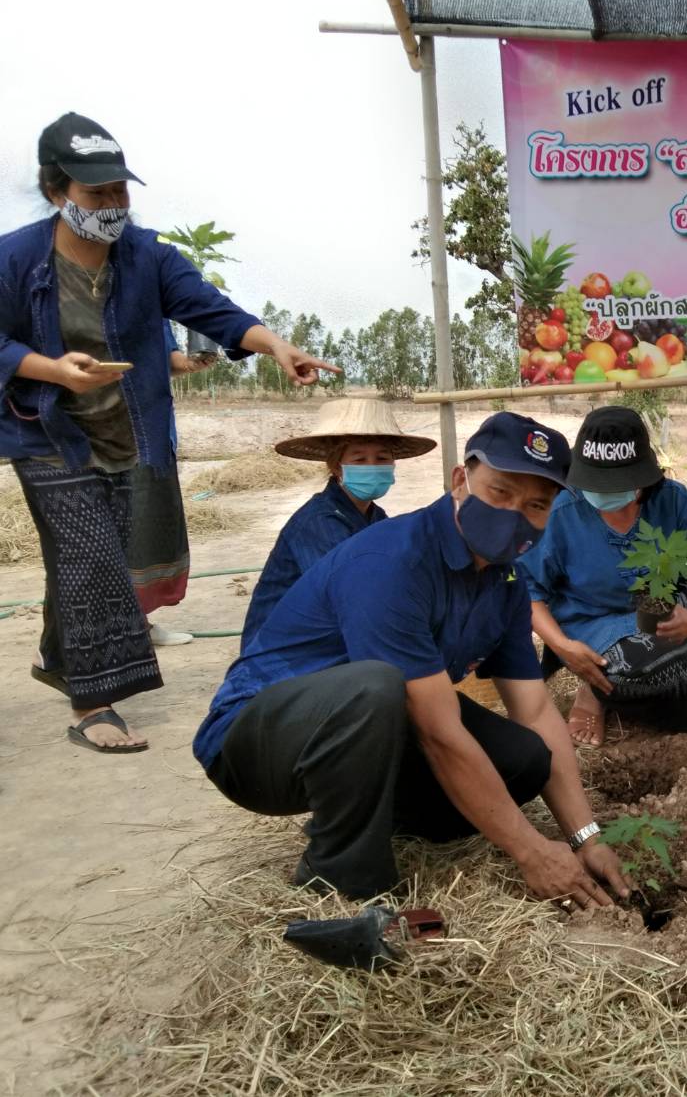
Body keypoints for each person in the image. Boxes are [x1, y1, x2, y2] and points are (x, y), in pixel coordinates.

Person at [0, 112, 338, 754]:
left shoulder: (148, 256)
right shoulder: (14, 259)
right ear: (55, 192)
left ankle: (56, 653)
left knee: (90, 554)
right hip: (48, 432)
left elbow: (209, 307)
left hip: (130, 432)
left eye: (119, 191)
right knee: (90, 556)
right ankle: (93, 704)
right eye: (95, 193)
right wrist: (51, 369)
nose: (111, 205)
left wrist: (274, 344)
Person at [193, 412, 629, 906]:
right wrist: (530, 852)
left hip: (365, 731)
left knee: (524, 759)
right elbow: (437, 733)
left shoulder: (505, 582)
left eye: (536, 505)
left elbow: (534, 710)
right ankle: (338, 882)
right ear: (460, 480)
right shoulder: (391, 563)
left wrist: (586, 838)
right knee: (379, 687)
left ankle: (380, 817)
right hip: (257, 744)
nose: (514, 514)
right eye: (500, 492)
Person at [517, 406, 687, 746]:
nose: (605, 493)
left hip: (656, 608)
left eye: (617, 484)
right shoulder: (562, 511)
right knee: (623, 670)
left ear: (643, 477)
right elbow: (527, 591)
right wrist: (563, 647)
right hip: (593, 623)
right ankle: (593, 692)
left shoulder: (672, 501)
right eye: (596, 483)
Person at [240, 398, 436, 650]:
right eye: (360, 460)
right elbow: (347, 595)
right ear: (336, 467)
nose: (372, 467)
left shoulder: (376, 517)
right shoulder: (318, 522)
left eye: (381, 458)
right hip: (284, 650)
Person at [126, 323, 212, 649]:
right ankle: (65, 646)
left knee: (145, 535)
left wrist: (190, 363)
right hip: (112, 435)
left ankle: (137, 624)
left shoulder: (153, 305)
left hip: (153, 436)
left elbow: (165, 361)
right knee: (108, 539)